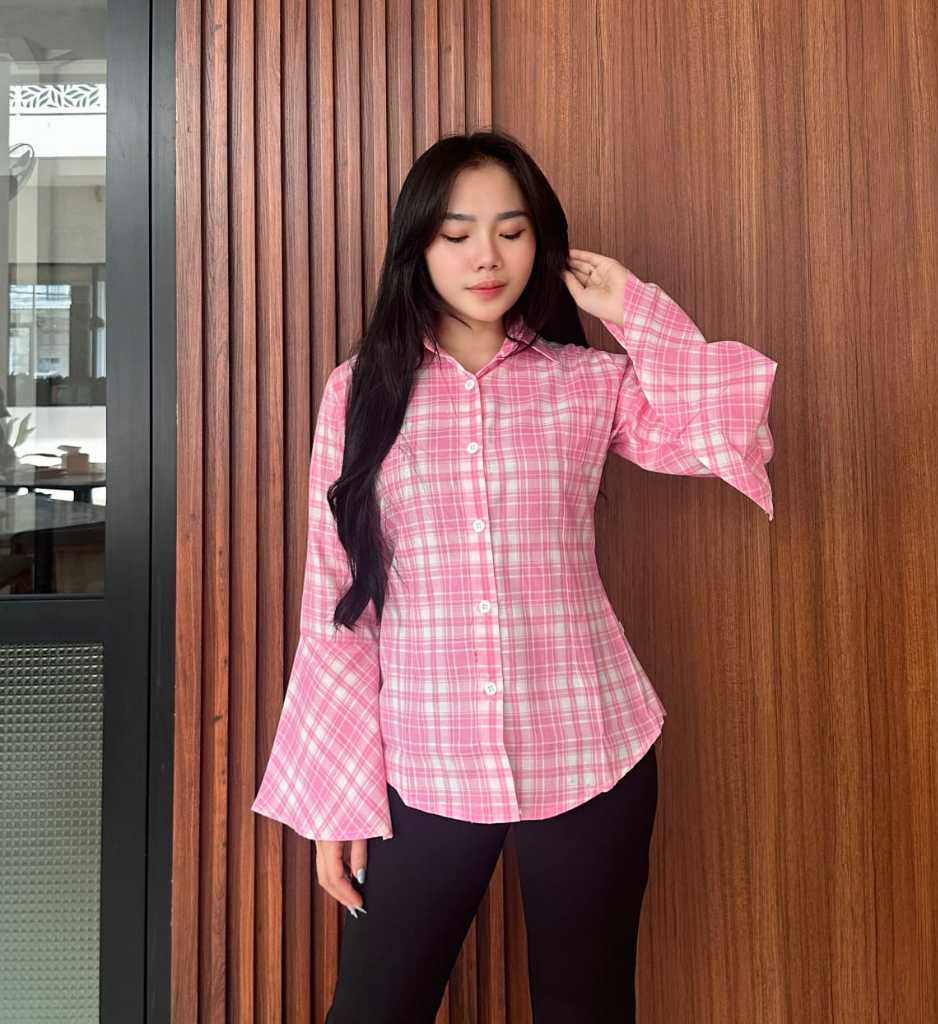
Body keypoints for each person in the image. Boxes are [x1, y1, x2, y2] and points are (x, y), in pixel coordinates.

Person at [251, 129, 778, 1023]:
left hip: (592, 744)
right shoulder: (359, 391)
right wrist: (337, 799)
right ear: (419, 245)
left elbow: (725, 436)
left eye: (511, 230)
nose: (485, 257)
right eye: (456, 234)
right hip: (423, 761)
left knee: (589, 1008)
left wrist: (634, 307)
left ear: (542, 243)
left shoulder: (589, 381)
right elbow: (337, 603)